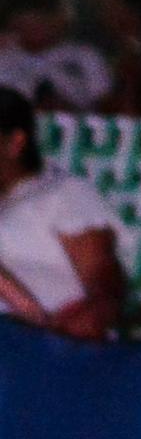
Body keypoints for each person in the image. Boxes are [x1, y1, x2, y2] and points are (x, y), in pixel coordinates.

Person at [0, 85, 124, 338]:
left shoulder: (61, 193)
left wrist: (88, 316)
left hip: (40, 337)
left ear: (15, 142)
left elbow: (103, 279)